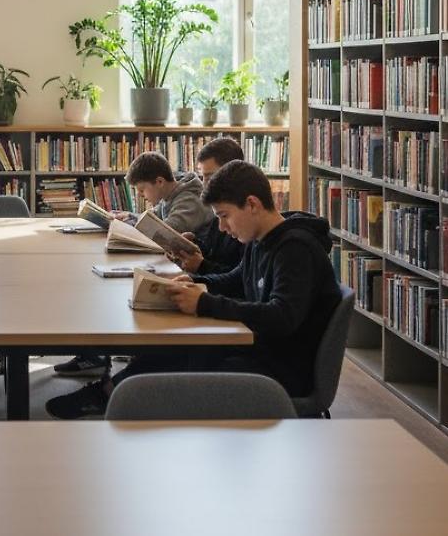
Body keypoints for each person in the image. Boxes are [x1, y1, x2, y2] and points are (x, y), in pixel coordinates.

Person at [45, 161, 342, 419]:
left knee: (187, 357)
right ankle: (111, 394)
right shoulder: (260, 240)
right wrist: (197, 282)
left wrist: (204, 303)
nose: (222, 227)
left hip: (281, 370)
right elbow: (237, 279)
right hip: (260, 350)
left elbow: (282, 316)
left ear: (252, 204)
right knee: (175, 346)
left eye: (224, 215)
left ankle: (120, 401)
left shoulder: (295, 250)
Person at [56, 151, 215, 377]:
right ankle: (95, 354)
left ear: (159, 182)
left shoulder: (189, 198)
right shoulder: (171, 195)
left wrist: (133, 225)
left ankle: (103, 356)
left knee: (116, 294)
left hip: (181, 270)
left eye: (142, 190)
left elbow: (167, 229)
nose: (142, 195)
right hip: (172, 263)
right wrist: (129, 217)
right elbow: (153, 219)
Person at [167, 137, 246, 275]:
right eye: (203, 177)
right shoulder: (219, 211)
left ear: (232, 171)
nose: (204, 185)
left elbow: (239, 280)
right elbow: (214, 253)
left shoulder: (246, 219)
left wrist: (201, 266)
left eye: (210, 177)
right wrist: (192, 247)